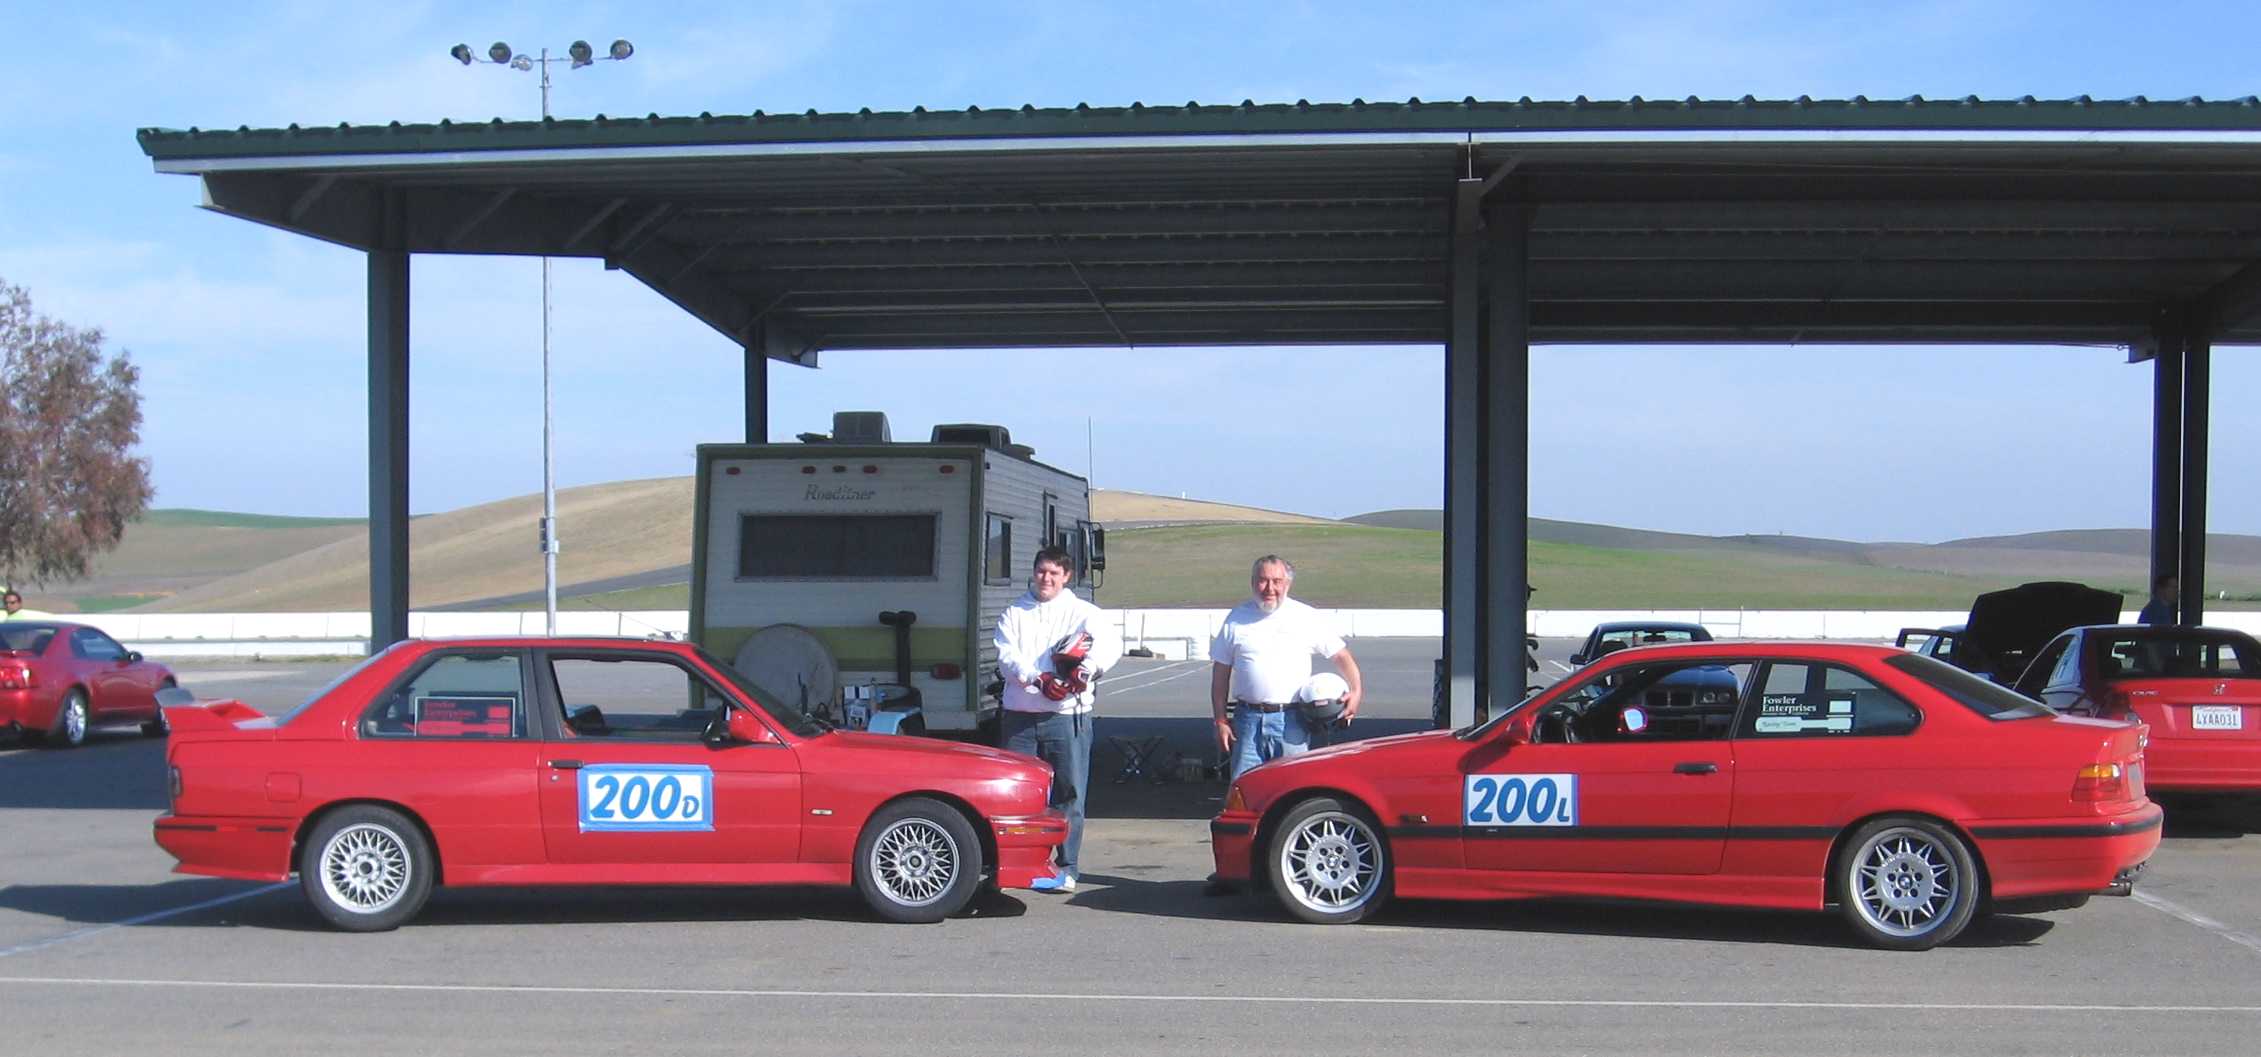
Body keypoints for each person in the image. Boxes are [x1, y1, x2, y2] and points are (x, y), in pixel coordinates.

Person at [993, 544, 1120, 894]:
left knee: (1069, 793)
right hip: (1020, 716)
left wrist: (1086, 671)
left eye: (1054, 573)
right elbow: (1007, 656)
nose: (1046, 578)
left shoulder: (1083, 612)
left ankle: (1067, 868)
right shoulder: (1015, 612)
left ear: (1066, 577)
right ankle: (1014, 864)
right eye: (1041, 571)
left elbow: (1110, 644)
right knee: (1015, 794)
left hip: (1067, 718)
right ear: (1033, 573)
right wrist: (1038, 679)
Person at [1210, 555, 1363, 782]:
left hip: (1292, 721)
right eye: (1262, 580)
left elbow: (1341, 655)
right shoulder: (1236, 619)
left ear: (1287, 584)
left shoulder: (1305, 616)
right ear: (1253, 582)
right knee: (1246, 789)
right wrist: (1221, 720)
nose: (1269, 588)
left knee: (1294, 787)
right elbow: (1220, 674)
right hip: (1247, 720)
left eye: (1277, 581)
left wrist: (1357, 691)